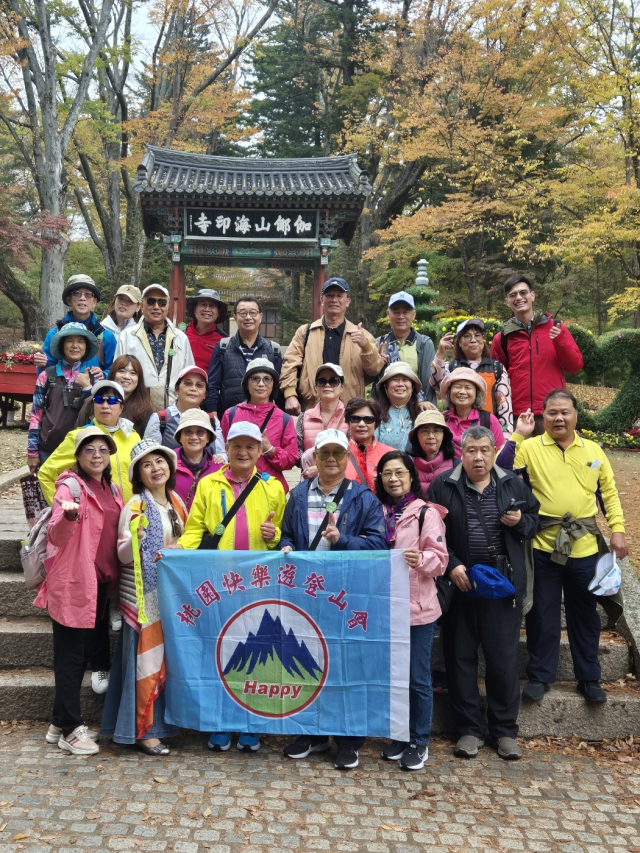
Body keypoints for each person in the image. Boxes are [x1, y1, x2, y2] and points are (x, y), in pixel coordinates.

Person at [427, 426, 539, 761]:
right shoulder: (443, 485)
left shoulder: (513, 484)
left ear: (494, 451)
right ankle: (469, 730)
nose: (478, 457)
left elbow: (535, 522)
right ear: (461, 452)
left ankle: (504, 731)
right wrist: (452, 565)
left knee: (503, 662)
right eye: (471, 450)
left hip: (502, 589)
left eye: (485, 450)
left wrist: (520, 520)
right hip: (460, 586)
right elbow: (431, 534)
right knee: (460, 660)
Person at [279, 428, 386, 770]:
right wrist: (285, 545)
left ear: (346, 458)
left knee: (345, 663)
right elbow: (286, 533)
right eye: (324, 453)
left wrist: (342, 540)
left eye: (337, 454)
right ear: (314, 456)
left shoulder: (363, 498)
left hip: (345, 594)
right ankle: (312, 732)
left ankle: (350, 738)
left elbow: (378, 544)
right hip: (306, 594)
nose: (330, 459)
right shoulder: (296, 495)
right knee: (306, 662)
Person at [178, 421, 286, 753]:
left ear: (258, 450)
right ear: (227, 448)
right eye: (237, 446)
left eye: (250, 447)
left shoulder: (273, 488)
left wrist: (274, 538)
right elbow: (195, 528)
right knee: (221, 650)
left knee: (256, 654)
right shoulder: (209, 484)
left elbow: (279, 534)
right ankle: (221, 721)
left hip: (256, 584)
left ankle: (251, 722)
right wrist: (175, 555)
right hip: (219, 583)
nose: (243, 452)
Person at [514, 390, 628, 704]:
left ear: (576, 414)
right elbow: (504, 473)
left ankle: (589, 678)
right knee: (542, 615)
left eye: (565, 412)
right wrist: (517, 435)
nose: (559, 418)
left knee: (585, 615)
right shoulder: (530, 448)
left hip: (586, 547)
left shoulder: (593, 450)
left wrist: (617, 529)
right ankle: (540, 676)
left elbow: (609, 493)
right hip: (543, 545)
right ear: (543, 416)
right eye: (552, 413)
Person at [34, 427, 124, 754]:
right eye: (89, 450)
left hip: (101, 586)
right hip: (74, 583)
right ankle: (72, 730)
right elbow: (57, 535)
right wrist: (68, 517)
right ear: (78, 455)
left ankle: (58, 722)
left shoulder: (112, 488)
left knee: (83, 652)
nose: (97, 455)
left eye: (103, 449)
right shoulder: (70, 487)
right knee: (71, 657)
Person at [101, 441, 188, 755]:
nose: (156, 469)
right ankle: (144, 731)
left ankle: (160, 725)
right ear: (139, 473)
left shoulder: (177, 502)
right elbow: (122, 555)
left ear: (170, 467)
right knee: (145, 662)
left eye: (160, 462)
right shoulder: (135, 505)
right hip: (144, 600)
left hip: (171, 597)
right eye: (147, 464)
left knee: (163, 662)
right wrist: (134, 540)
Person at [374, 451, 448, 771]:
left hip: (418, 610)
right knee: (395, 679)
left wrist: (422, 561)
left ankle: (420, 741)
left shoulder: (424, 513)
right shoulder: (377, 512)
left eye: (400, 473)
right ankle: (401, 736)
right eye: (387, 473)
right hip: (385, 609)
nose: (393, 479)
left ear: (411, 476)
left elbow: (441, 559)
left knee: (417, 678)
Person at [491, 275, 584, 434]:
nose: (519, 298)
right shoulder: (502, 338)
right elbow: (497, 378)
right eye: (513, 295)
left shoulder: (556, 327)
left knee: (554, 458)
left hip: (553, 412)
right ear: (507, 302)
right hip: (518, 415)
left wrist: (560, 340)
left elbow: (575, 366)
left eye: (523, 293)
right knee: (519, 458)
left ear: (532, 295)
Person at [279, 277, 385, 414]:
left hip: (349, 412)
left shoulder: (362, 335)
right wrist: (290, 395)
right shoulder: (306, 332)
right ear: (322, 300)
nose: (334, 300)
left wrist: (365, 346)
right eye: (329, 295)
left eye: (339, 296)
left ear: (347, 302)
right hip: (312, 410)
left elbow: (374, 370)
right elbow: (289, 363)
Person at [38, 380, 141, 504]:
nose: (104, 405)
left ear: (121, 407)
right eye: (99, 400)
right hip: (95, 516)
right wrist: (63, 509)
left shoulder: (132, 436)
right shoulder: (80, 436)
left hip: (131, 515)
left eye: (112, 400)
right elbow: (46, 474)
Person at [27, 322, 101, 471]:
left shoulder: (94, 378)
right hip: (48, 449)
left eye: (80, 341)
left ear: (86, 347)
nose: (75, 345)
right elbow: (36, 415)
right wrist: (32, 451)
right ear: (62, 345)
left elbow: (98, 414)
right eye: (70, 340)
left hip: (82, 452)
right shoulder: (46, 376)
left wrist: (87, 388)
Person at [219, 358, 298, 493]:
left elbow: (291, 460)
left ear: (273, 384)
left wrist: (270, 450)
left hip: (270, 490)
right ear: (247, 384)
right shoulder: (230, 414)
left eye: (267, 379)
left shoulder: (284, 419)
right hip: (236, 489)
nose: (261, 384)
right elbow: (223, 452)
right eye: (255, 379)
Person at [115, 284, 195, 409]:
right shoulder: (127, 336)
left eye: (162, 303)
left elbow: (189, 376)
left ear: (168, 306)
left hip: (173, 410)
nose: (156, 307)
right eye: (151, 301)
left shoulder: (181, 338)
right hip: (135, 409)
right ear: (141, 306)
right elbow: (118, 375)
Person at [431, 318, 513, 434]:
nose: (473, 340)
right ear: (459, 342)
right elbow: (436, 384)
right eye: (467, 336)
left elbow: (504, 405)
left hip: (486, 429)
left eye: (477, 335)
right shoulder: (452, 367)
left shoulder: (496, 368)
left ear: (483, 339)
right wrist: (440, 354)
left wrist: (505, 435)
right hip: (455, 431)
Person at [206, 297, 282, 416]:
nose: (248, 317)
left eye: (253, 313)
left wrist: (279, 417)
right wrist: (212, 413)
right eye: (242, 313)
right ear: (235, 317)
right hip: (229, 417)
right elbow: (212, 385)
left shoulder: (273, 349)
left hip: (264, 417)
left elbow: (278, 388)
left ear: (260, 316)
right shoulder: (223, 347)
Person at [35, 274, 117, 375]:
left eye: (88, 294)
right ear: (68, 300)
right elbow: (45, 376)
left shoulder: (106, 337)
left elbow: (114, 372)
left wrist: (103, 375)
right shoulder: (54, 335)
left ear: (94, 302)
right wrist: (42, 364)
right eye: (77, 294)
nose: (82, 298)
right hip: (61, 390)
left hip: (94, 390)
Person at [371, 291, 437, 405]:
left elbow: (427, 383)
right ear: (388, 314)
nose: (401, 316)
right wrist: (376, 363)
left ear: (414, 314)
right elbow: (368, 378)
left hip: (417, 408)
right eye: (396, 312)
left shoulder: (425, 344)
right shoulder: (378, 344)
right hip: (386, 412)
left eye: (405, 312)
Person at [147, 365, 225, 457]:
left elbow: (221, 454)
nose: (193, 389)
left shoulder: (212, 421)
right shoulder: (160, 419)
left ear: (205, 394)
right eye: (188, 383)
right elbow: (149, 456)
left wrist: (219, 459)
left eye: (199, 385)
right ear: (176, 389)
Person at [75, 354, 156, 440]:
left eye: (133, 373)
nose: (126, 377)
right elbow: (77, 437)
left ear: (138, 379)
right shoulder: (93, 401)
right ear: (113, 374)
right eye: (122, 371)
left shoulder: (145, 410)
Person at [297, 363, 349, 479]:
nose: (327, 385)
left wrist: (320, 469)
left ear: (342, 388)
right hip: (310, 482)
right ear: (316, 388)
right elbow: (297, 452)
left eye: (333, 381)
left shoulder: (350, 417)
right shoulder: (304, 417)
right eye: (322, 381)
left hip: (340, 483)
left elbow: (353, 454)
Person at [440, 368, 505, 456]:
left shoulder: (489, 420)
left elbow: (500, 455)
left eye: (468, 388)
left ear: (476, 394)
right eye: (457, 387)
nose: (462, 392)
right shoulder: (442, 419)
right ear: (449, 392)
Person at [174, 409, 224, 511]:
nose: (194, 437)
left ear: (208, 438)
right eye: (188, 432)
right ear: (180, 437)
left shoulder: (218, 468)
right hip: (176, 524)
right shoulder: (168, 463)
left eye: (200, 432)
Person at [343, 397, 393, 491]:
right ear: (348, 422)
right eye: (355, 419)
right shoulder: (338, 453)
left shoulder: (390, 454)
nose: (361, 424)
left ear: (376, 423)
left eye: (368, 419)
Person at [374, 362, 422, 450]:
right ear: (385, 387)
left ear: (412, 387)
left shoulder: (421, 413)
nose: (400, 384)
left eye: (405, 380)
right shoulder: (376, 414)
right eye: (395, 380)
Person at [407, 410, 457, 492]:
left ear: (444, 436)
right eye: (425, 431)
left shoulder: (457, 467)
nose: (431, 436)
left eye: (436, 431)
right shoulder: (408, 468)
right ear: (417, 436)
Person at [184, 288, 228, 372]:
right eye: (203, 304)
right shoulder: (181, 334)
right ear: (194, 309)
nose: (207, 309)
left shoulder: (224, 341)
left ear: (218, 312)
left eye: (212, 306)